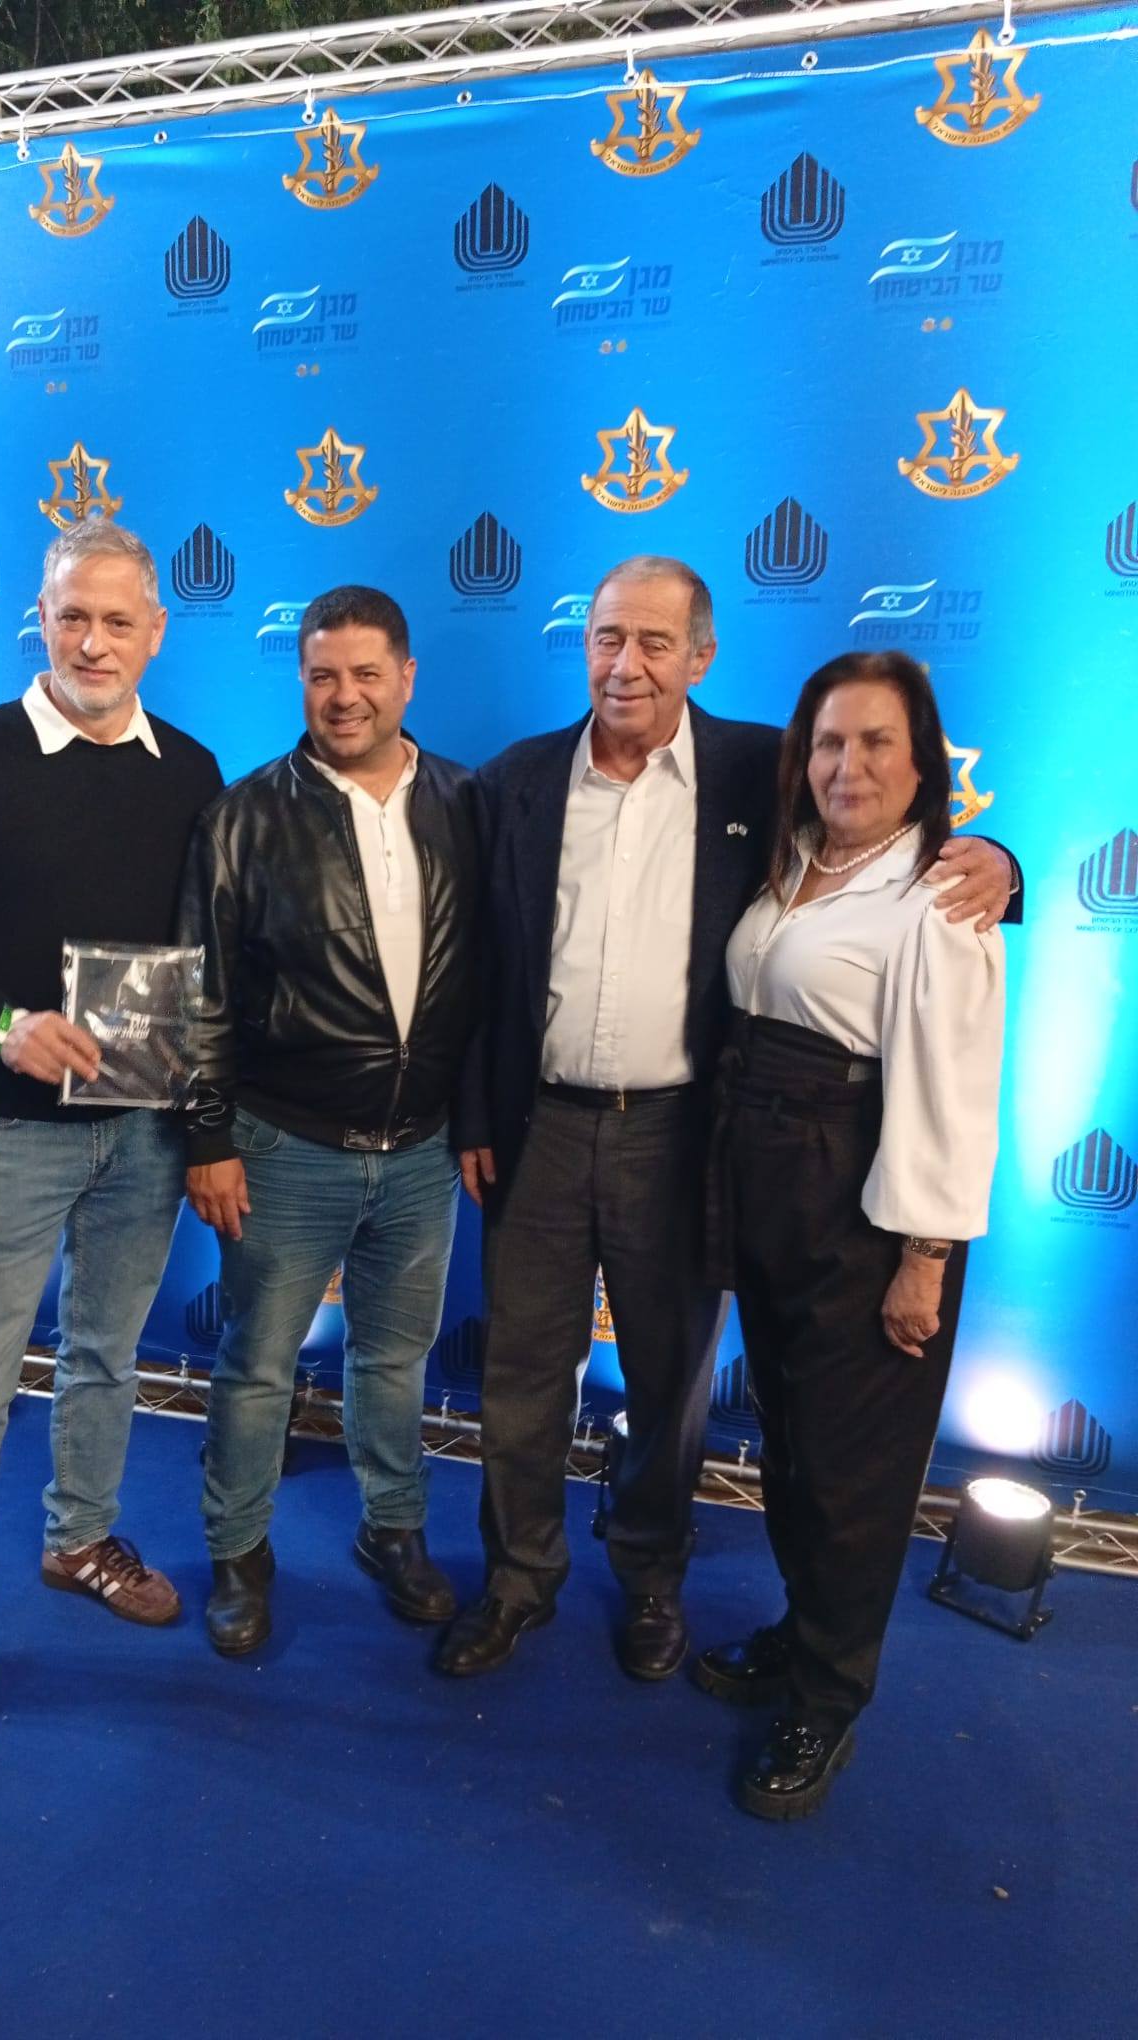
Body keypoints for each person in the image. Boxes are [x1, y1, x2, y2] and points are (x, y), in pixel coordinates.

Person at [439, 556, 1014, 1682]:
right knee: (520, 1377)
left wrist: (1002, 861)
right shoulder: (514, 781)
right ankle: (517, 1579)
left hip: (682, 1138)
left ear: (700, 656)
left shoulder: (762, 767)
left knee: (669, 1383)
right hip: (538, 1129)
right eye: (608, 637)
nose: (628, 664)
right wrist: (474, 1115)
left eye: (656, 642)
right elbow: (475, 971)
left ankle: (652, 1579)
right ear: (584, 645)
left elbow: (885, 836)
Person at [0, 520, 222, 1751]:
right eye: (73, 616)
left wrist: (203, 1114)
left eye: (118, 621)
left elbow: (205, 958)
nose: (93, 642)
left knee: (108, 1357)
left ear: (155, 633)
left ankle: (79, 1539)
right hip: (7, 1130)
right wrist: (3, 1022)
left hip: (144, 1135)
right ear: (41, 618)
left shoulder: (191, 772)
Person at [696, 651, 1004, 1818]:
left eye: (877, 742)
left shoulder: (943, 898)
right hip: (769, 1184)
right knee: (793, 1447)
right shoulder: (793, 863)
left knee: (852, 1476)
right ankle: (803, 1629)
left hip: (868, 1211)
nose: (849, 765)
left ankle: (828, 1702)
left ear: (925, 762)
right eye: (829, 742)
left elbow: (953, 1087)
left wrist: (923, 1259)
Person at [180, 585, 480, 1656]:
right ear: (300, 682)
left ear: (407, 678)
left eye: (365, 674)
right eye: (321, 676)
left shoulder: (469, 802)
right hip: (282, 1147)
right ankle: (238, 1553)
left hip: (423, 1152)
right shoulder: (244, 816)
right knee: (258, 1368)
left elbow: (490, 977)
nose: (344, 697)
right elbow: (202, 990)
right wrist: (207, 1137)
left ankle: (392, 1529)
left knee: (394, 1361)